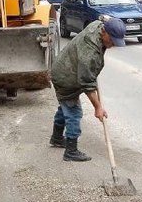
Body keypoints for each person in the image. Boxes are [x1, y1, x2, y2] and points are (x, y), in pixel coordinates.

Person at [49, 17, 126, 162]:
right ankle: (71, 151)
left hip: (65, 69)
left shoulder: (98, 25)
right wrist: (98, 108)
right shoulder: (89, 51)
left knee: (64, 105)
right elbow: (86, 83)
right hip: (66, 77)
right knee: (73, 112)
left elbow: (101, 18)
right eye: (112, 40)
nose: (112, 45)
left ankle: (57, 138)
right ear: (104, 31)